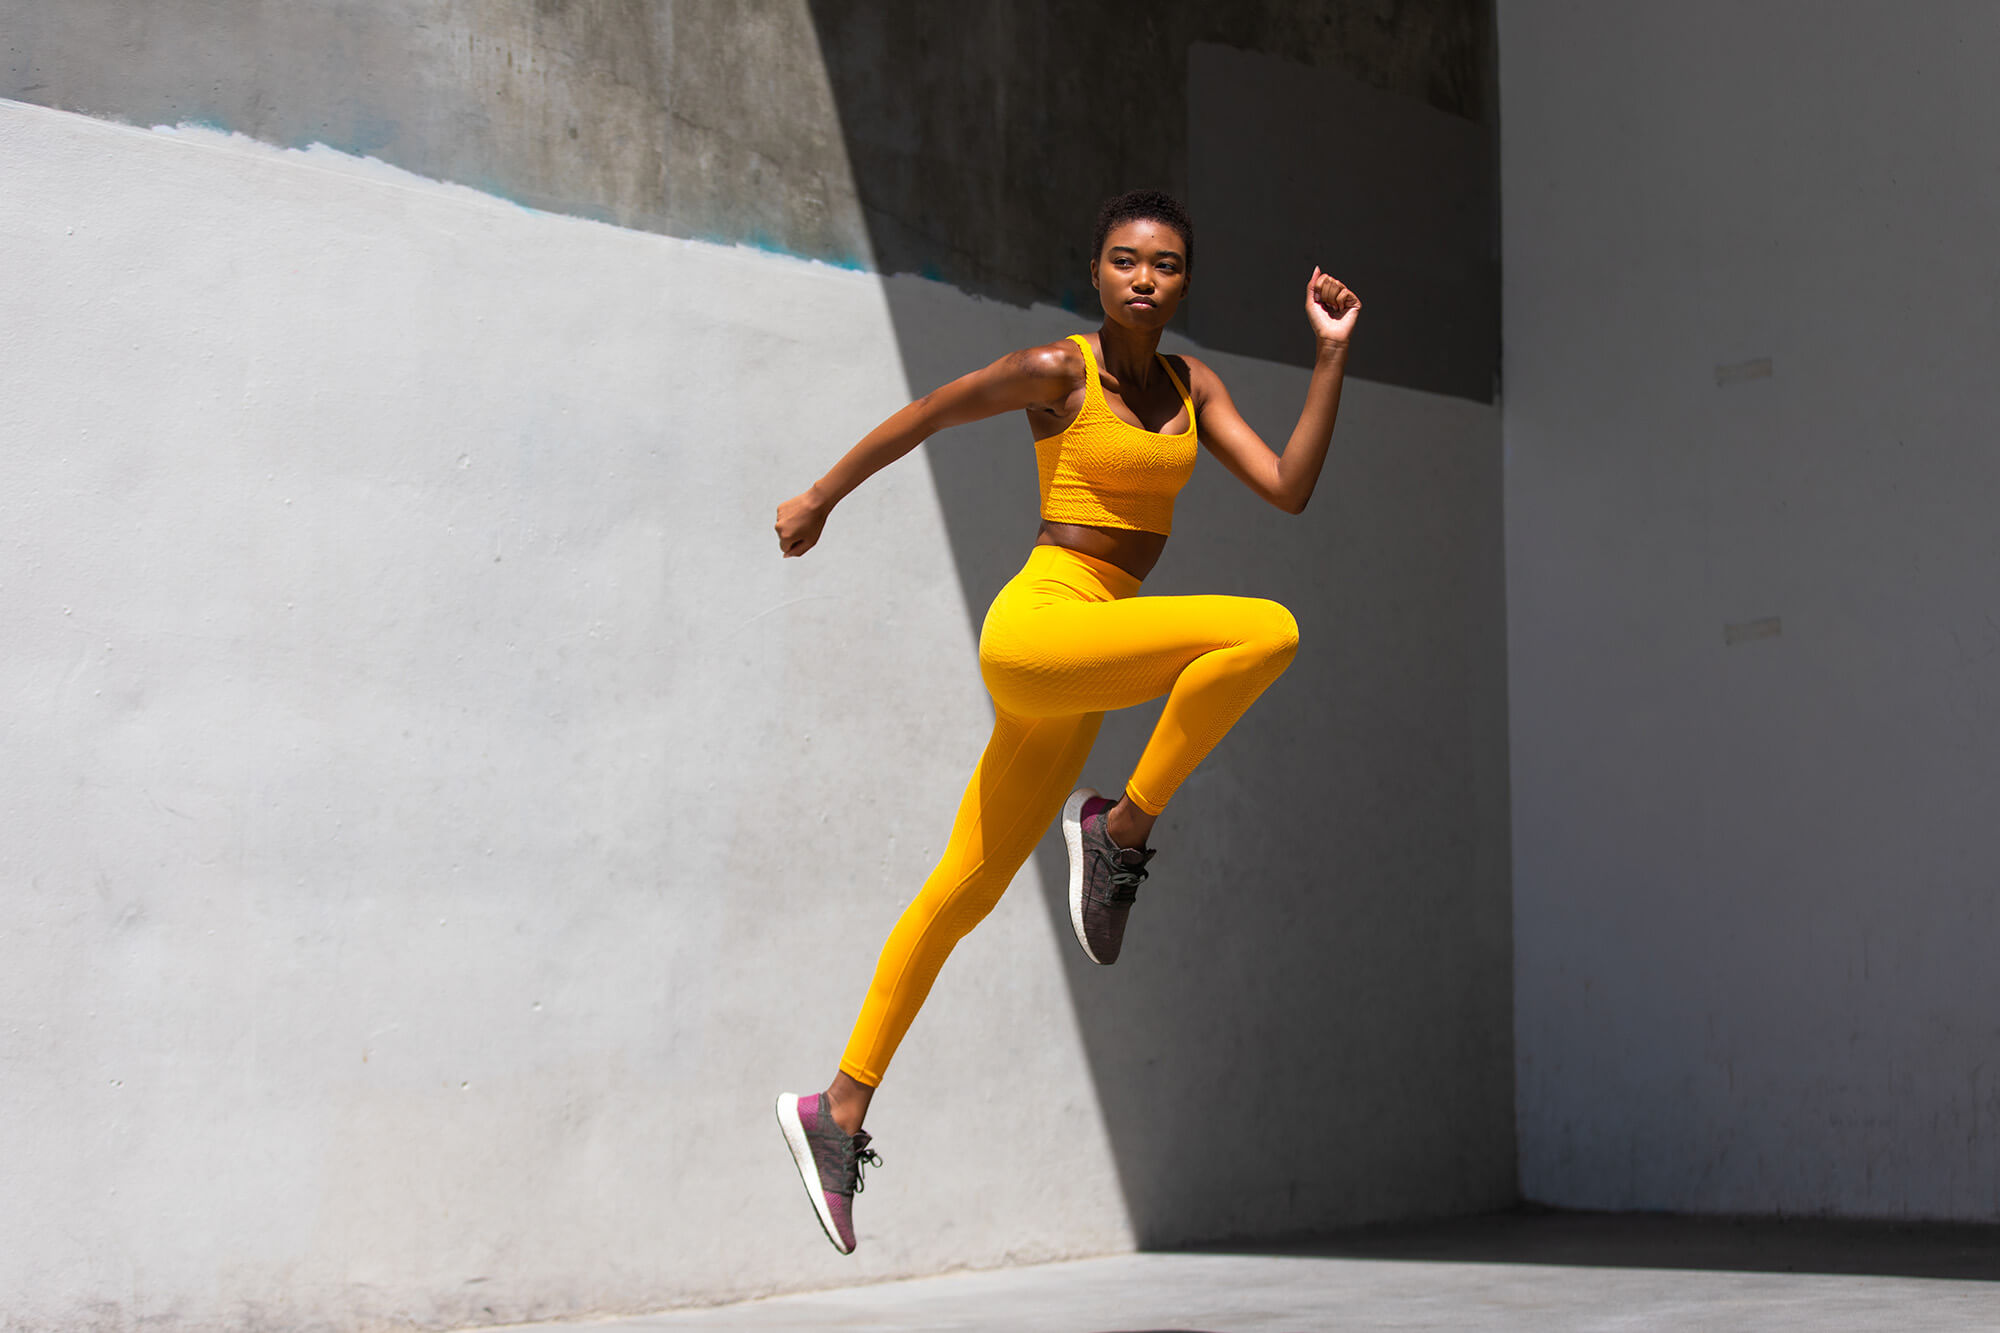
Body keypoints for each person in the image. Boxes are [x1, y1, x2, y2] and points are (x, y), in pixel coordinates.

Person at [772, 190, 1361, 1255]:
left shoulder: (1194, 386)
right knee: (1263, 630)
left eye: (1167, 264)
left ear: (1186, 281)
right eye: (1125, 261)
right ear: (1095, 273)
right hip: (1040, 628)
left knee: (965, 888)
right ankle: (1118, 830)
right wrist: (818, 496)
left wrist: (1328, 357)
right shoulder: (1059, 371)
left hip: (1091, 665)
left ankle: (837, 1108)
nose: (1145, 277)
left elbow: (1285, 485)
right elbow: (929, 411)